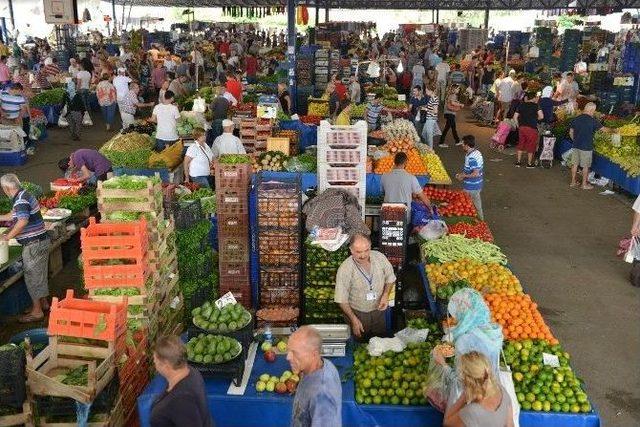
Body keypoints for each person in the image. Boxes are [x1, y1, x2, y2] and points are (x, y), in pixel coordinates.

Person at [0, 174, 50, 323]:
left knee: (32, 277)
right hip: (40, 241)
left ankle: (37, 312)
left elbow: (22, 221)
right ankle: (43, 303)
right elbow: (12, 215)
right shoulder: (24, 194)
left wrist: (6, 237)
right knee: (39, 274)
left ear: (7, 188)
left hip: (33, 244)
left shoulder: (20, 200)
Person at [335, 234, 396, 341]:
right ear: (351, 250)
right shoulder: (345, 268)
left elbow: (390, 278)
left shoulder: (380, 257)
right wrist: (354, 320)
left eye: (366, 250)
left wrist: (386, 294)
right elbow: (341, 299)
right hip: (358, 313)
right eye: (358, 252)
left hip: (379, 310)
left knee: (380, 341)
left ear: (370, 247)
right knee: (360, 344)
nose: (363, 255)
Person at [150, 335, 214, 427]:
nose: (154, 362)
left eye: (155, 359)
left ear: (166, 365)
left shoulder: (182, 400)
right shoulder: (191, 372)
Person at [288, 326, 342, 427]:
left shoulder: (322, 395)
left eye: (295, 353)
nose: (288, 357)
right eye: (289, 351)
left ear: (314, 354)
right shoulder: (322, 364)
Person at [443, 351, 514, 427]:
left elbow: (447, 422)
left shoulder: (471, 411)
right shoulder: (501, 390)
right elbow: (510, 424)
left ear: (467, 379)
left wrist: (463, 398)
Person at [569, 102, 610, 190]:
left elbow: (571, 132)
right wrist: (615, 131)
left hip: (576, 145)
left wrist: (575, 140)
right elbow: (604, 130)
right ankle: (584, 184)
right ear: (591, 110)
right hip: (586, 147)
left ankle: (573, 182)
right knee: (585, 166)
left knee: (575, 164)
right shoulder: (592, 121)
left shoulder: (576, 118)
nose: (594, 112)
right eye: (594, 111)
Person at [381, 152, 432, 220]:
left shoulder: (384, 176)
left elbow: (383, 192)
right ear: (406, 163)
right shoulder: (411, 178)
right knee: (406, 228)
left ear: (394, 161)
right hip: (404, 215)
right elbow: (422, 196)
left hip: (388, 213)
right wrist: (430, 207)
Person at [455, 135, 484, 220]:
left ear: (467, 145)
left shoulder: (471, 158)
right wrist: (462, 175)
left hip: (471, 187)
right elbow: (470, 170)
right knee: (477, 205)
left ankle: (474, 223)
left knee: (465, 206)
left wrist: (463, 176)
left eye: (463, 144)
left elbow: (475, 173)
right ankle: (481, 221)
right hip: (477, 185)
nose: (462, 145)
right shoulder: (476, 152)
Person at [513, 91, 543, 168]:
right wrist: (536, 119)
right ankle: (529, 164)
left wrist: (518, 125)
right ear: (533, 98)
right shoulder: (536, 106)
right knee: (531, 145)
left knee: (521, 144)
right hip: (532, 128)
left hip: (522, 127)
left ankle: (518, 162)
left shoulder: (521, 105)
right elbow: (541, 116)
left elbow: (515, 117)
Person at [421, 84, 440, 148]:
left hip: (431, 119)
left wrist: (425, 109)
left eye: (426, 90)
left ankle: (430, 149)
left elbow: (435, 111)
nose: (425, 92)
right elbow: (431, 107)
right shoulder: (432, 98)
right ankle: (428, 146)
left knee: (429, 135)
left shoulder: (434, 99)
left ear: (431, 91)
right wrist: (425, 106)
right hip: (429, 118)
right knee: (424, 133)